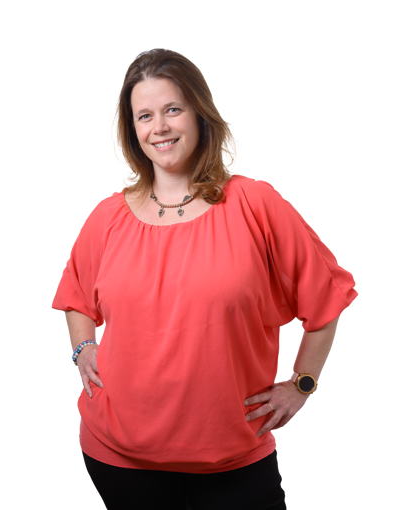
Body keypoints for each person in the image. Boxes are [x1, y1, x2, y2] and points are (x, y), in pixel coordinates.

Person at [52, 48, 358, 510]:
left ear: (199, 114)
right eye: (145, 116)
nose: (159, 127)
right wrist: (83, 348)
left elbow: (327, 297)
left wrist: (303, 384)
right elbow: (75, 295)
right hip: (119, 456)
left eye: (173, 109)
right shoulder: (108, 217)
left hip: (234, 456)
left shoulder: (256, 204)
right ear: (133, 131)